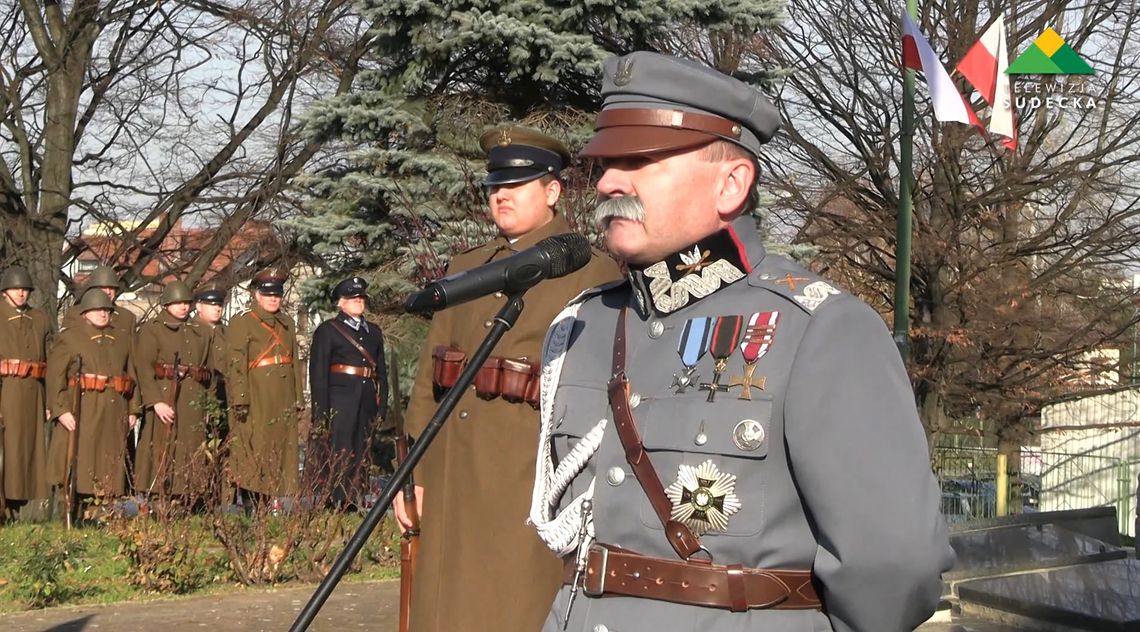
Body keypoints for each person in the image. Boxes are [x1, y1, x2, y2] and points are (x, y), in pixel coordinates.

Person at [527, 52, 955, 632]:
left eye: (638, 159)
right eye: (605, 161)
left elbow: (895, 566)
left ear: (731, 184)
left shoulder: (820, 330)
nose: (606, 182)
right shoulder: (585, 325)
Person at [391, 125, 622, 632]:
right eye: (495, 186)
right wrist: (416, 478)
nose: (501, 196)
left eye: (515, 186)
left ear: (553, 190)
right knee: (446, 612)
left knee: (515, 610)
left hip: (528, 481)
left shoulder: (593, 276)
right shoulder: (467, 270)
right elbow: (431, 383)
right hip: (454, 477)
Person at [46, 290, 141, 510]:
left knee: (109, 461)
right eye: (97, 309)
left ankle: (105, 511)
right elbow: (55, 377)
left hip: (115, 408)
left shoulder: (122, 339)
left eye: (106, 310)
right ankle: (74, 511)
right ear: (85, 312)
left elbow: (132, 375)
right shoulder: (70, 338)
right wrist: (61, 410)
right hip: (82, 408)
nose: (102, 314)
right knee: (79, 460)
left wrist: (134, 409)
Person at [225, 267, 304, 508]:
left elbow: (294, 362)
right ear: (256, 295)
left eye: (277, 294)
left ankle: (270, 503)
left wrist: (298, 397)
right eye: (268, 294)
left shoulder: (287, 323)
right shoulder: (243, 321)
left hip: (282, 398)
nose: (273, 298)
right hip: (256, 395)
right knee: (254, 446)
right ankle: (251, 503)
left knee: (279, 448)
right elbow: (235, 361)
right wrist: (240, 397)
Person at [308, 276, 387, 509]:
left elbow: (381, 371)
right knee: (339, 448)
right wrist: (321, 410)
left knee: (362, 447)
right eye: (353, 299)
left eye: (361, 298)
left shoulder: (373, 332)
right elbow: (318, 374)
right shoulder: (329, 331)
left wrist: (382, 405)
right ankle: (335, 498)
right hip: (339, 399)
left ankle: (355, 495)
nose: (359, 302)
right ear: (340, 303)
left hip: (366, 399)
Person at [134, 281, 212, 500]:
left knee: (190, 446)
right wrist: (155, 401)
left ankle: (186, 497)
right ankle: (157, 496)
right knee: (160, 445)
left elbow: (209, 370)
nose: (183, 307)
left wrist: (207, 404)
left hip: (192, 399)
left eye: (186, 302)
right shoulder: (152, 329)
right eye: (177, 302)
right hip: (164, 397)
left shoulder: (201, 331)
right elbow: (143, 368)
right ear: (167, 303)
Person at [0, 266, 50, 519]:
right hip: (6, 389)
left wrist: (49, 400)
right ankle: (5, 507)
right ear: (5, 290)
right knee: (7, 447)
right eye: (16, 289)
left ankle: (25, 507)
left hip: (34, 392)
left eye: (25, 289)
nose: (21, 293)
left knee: (30, 449)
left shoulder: (39, 318)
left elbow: (49, 359)